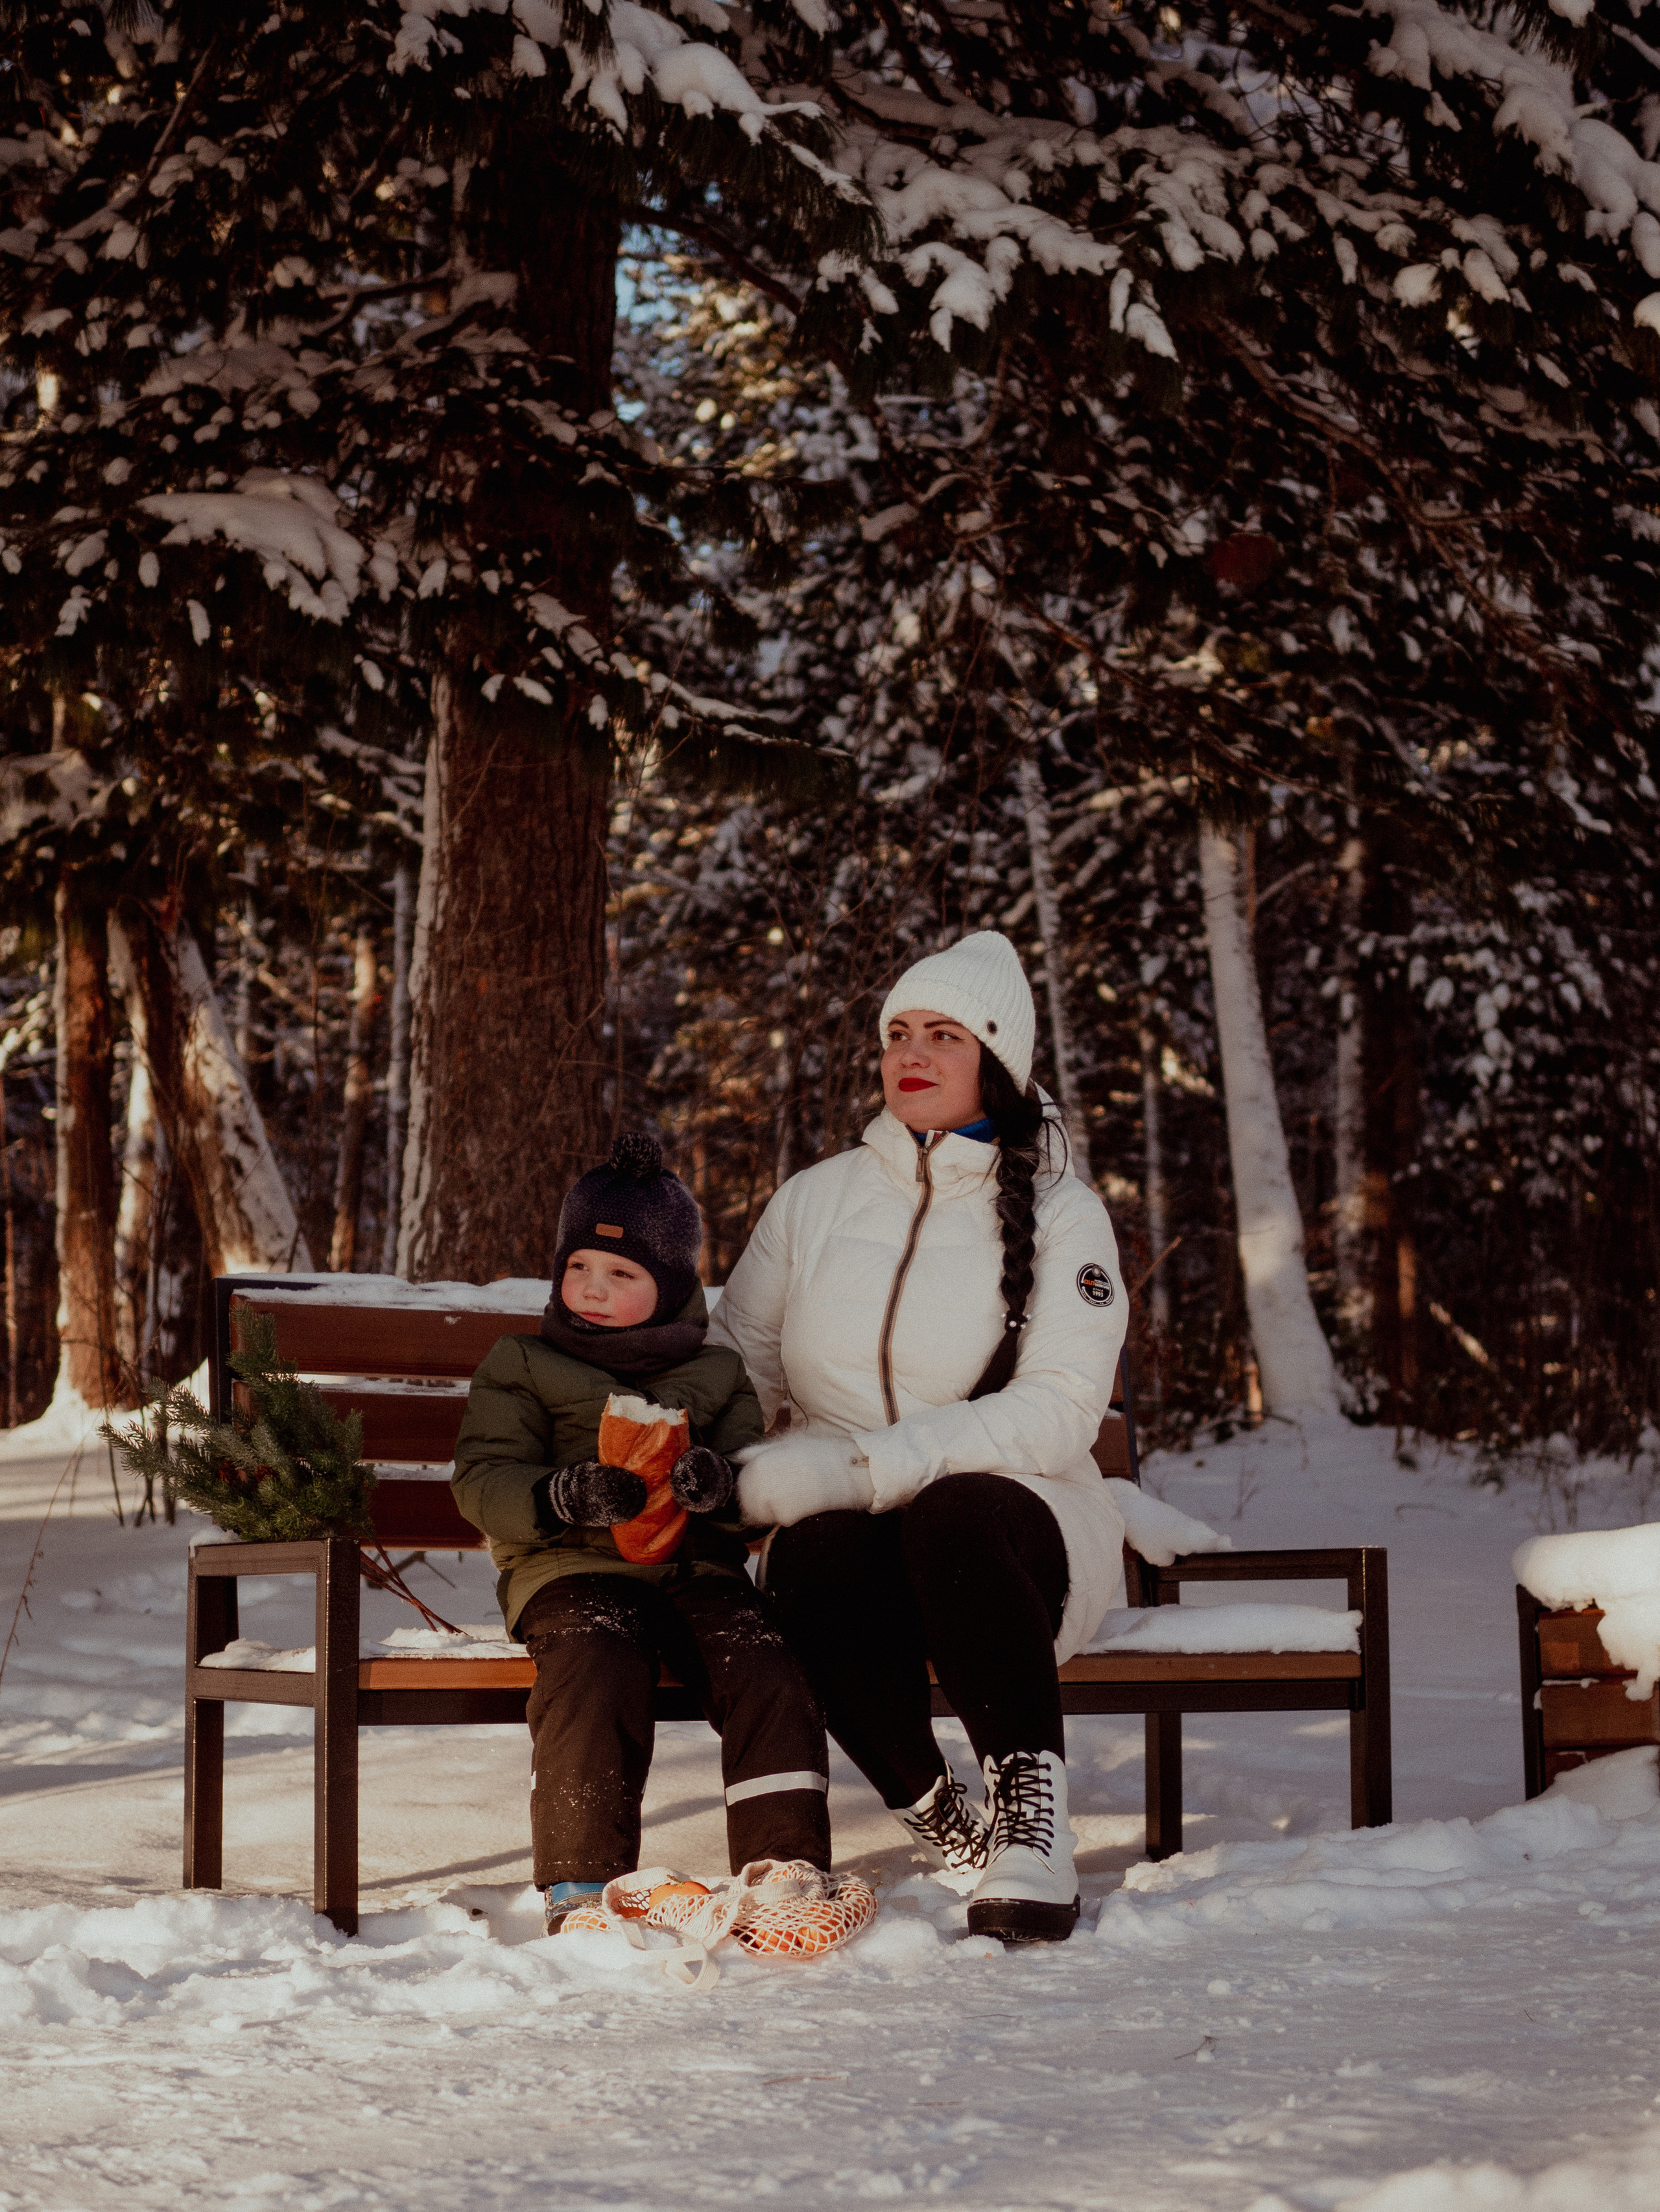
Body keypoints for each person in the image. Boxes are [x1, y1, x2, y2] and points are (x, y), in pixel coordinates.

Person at [709, 932, 1128, 1942]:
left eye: (945, 1034)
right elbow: (739, 1367)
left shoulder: (1066, 1216)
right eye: (899, 1031)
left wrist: (856, 1466)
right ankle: (941, 1817)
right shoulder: (815, 1200)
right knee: (811, 1551)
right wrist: (704, 1467)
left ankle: (1031, 1820)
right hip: (852, 1536)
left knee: (950, 1511)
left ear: (999, 1060)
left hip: (1014, 1532)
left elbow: (1061, 1409)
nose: (913, 1052)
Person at [451, 1132, 831, 1934]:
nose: (591, 1288)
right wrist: (558, 1494)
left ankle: (784, 1866)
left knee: (766, 1663)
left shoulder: (717, 1375)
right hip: (567, 1572)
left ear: (668, 1285)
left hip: (696, 1572)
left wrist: (720, 1487)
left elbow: (749, 1479)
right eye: (578, 1267)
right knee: (596, 1661)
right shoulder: (521, 1362)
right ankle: (581, 1885)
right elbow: (482, 1477)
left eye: (620, 1274)